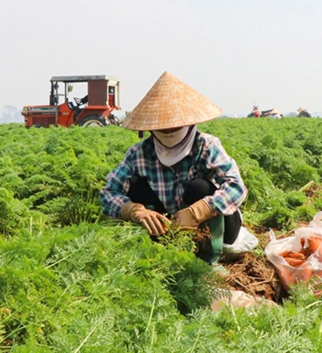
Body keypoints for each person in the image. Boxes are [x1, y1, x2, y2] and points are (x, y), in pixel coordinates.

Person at [100, 71, 248, 273]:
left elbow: (236, 187)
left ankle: (208, 259)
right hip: (170, 225)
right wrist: (135, 211)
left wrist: (197, 212)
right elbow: (108, 192)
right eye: (163, 130)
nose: (169, 133)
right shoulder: (140, 153)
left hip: (218, 226)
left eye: (174, 128)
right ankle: (160, 247)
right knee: (138, 189)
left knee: (199, 187)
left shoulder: (206, 146)